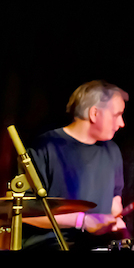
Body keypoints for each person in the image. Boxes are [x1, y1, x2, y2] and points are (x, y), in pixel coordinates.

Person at [22, 80, 128, 250]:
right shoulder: (45, 147)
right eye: (117, 115)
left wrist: (115, 220)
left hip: (99, 246)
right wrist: (82, 221)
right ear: (94, 113)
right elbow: (23, 212)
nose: (121, 123)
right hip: (50, 246)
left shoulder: (112, 150)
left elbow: (115, 201)